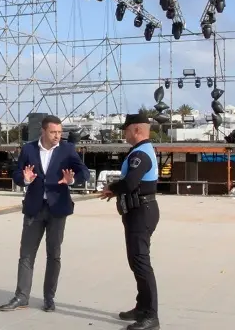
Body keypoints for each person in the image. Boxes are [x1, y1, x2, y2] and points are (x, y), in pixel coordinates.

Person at [0, 115, 91, 313]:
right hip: (34, 208)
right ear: (43, 131)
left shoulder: (67, 150)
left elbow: (84, 172)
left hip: (57, 209)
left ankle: (49, 298)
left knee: (54, 255)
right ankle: (21, 296)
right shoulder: (29, 149)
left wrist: (71, 181)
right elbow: (17, 174)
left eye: (59, 132)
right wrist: (24, 179)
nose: (57, 136)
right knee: (26, 255)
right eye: (53, 132)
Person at [100, 114, 160, 330]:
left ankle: (151, 316)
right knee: (136, 261)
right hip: (137, 210)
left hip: (141, 211)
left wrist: (113, 189)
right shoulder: (141, 151)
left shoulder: (141, 154)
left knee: (142, 263)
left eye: (126, 130)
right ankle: (142, 307)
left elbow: (131, 182)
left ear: (136, 130)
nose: (123, 133)